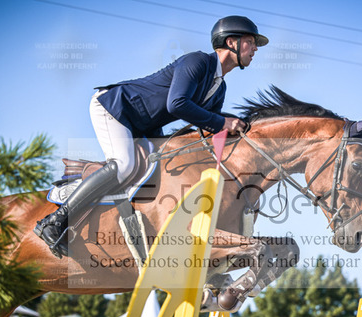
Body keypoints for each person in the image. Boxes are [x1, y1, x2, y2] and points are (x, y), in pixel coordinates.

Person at [35, 16, 268, 257]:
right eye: (250, 42)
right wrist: (222, 122)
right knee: (124, 165)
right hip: (116, 108)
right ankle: (54, 221)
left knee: (164, 167)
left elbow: (208, 127)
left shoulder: (220, 88)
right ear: (231, 42)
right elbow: (176, 104)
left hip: (146, 126)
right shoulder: (197, 61)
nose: (255, 49)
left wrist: (238, 127)